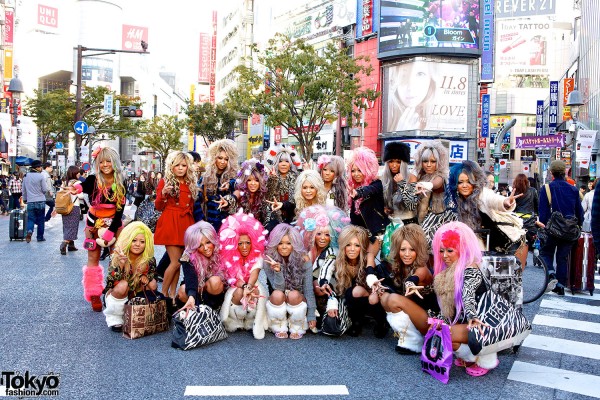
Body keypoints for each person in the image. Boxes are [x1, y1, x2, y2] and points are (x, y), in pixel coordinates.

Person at [430, 222, 501, 377]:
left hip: (482, 322)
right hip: (466, 322)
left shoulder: (471, 270)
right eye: (441, 251)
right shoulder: (448, 271)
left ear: (461, 250)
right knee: (439, 331)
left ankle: (487, 360)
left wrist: (473, 317)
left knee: (446, 333)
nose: (444, 255)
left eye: (450, 250)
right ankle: (470, 357)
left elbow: (467, 295)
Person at [72, 147, 127, 312]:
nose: (104, 164)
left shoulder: (120, 181)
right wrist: (77, 188)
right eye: (101, 161)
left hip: (114, 223)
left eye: (108, 161)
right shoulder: (93, 179)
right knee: (93, 257)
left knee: (117, 258)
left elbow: (120, 210)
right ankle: (94, 294)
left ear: (114, 162)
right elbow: (84, 185)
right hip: (94, 223)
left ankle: (114, 292)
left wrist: (112, 229)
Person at [449, 160, 526, 267]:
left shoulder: (482, 194)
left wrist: (506, 202)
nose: (465, 185)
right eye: (460, 182)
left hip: (498, 236)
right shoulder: (457, 201)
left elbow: (493, 199)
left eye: (469, 181)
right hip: (477, 238)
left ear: (475, 182)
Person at [377, 224, 439, 354]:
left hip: (430, 320)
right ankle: (410, 339)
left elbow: (418, 276)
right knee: (384, 298)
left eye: (412, 249)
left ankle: (415, 341)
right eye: (403, 249)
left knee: (393, 299)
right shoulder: (399, 267)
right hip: (416, 316)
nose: (407, 254)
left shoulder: (422, 268)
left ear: (419, 250)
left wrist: (411, 282)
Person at [296, 205, 350, 328]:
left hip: (328, 284)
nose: (322, 238)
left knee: (317, 286)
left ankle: (323, 311)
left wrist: (322, 282)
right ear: (313, 234)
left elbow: (327, 269)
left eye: (327, 235)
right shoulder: (307, 251)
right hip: (309, 284)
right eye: (319, 233)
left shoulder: (333, 251)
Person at [154, 151, 198, 301]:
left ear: (188, 167)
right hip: (171, 222)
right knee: (175, 262)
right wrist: (163, 194)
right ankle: (163, 294)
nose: (180, 168)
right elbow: (158, 206)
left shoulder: (190, 183)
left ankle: (172, 296)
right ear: (171, 166)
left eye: (184, 165)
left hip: (186, 223)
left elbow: (192, 206)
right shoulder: (166, 181)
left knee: (179, 262)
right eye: (177, 165)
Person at [219, 210, 269, 339]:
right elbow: (233, 278)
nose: (244, 247)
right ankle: (235, 320)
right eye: (240, 243)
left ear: (253, 242)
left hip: (251, 283)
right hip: (236, 285)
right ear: (235, 244)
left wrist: (249, 286)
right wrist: (244, 287)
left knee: (256, 292)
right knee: (239, 293)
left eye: (247, 242)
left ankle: (249, 320)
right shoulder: (228, 257)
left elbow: (255, 272)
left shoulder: (257, 255)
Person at [333, 225, 388, 338]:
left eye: (357, 245)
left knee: (373, 298)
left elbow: (370, 269)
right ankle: (356, 322)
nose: (352, 249)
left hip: (373, 291)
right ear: (343, 246)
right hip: (356, 296)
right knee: (355, 291)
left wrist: (372, 279)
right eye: (348, 244)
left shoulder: (368, 256)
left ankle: (381, 323)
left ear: (362, 247)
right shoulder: (339, 261)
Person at [538, 160, 584, 295]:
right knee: (562, 257)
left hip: (552, 229)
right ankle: (561, 285)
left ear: (551, 172)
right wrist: (579, 225)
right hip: (569, 229)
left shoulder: (546, 188)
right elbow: (579, 212)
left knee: (546, 253)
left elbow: (543, 212)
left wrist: (544, 225)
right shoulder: (573, 189)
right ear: (565, 172)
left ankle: (551, 274)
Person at [263, 224, 316, 339]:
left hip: (297, 300)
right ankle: (278, 325)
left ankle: (297, 326)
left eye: (288, 243)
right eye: (280, 243)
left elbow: (308, 289)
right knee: (277, 294)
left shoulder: (304, 258)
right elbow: (279, 288)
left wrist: (312, 315)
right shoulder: (269, 260)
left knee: (293, 294)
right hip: (279, 300)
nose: (284, 247)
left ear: (294, 244)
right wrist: (278, 271)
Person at [102, 221, 157, 332]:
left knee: (153, 283)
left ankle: (139, 312)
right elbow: (110, 282)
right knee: (123, 285)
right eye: (134, 240)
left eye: (142, 242)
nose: (137, 244)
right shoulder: (116, 256)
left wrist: (145, 276)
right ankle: (115, 317)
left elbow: (152, 274)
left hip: (135, 293)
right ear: (127, 240)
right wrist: (121, 266)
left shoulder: (149, 260)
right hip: (117, 293)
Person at [177, 221, 226, 311]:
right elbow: (190, 277)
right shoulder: (187, 256)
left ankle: (213, 310)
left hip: (214, 292)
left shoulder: (221, 251)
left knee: (215, 281)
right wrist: (192, 296)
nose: (206, 248)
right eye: (200, 245)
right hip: (195, 287)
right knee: (183, 291)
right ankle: (193, 311)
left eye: (208, 242)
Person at [195, 139, 239, 231]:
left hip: (228, 227)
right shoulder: (205, 178)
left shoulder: (234, 179)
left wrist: (230, 185)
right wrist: (201, 220)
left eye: (226, 159)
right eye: (220, 158)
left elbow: (239, 190)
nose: (223, 162)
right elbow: (196, 199)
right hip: (209, 225)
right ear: (214, 158)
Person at [215, 160, 269, 226]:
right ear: (245, 181)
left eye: (256, 180)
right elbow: (233, 197)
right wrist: (227, 201)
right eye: (249, 180)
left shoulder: (262, 195)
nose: (253, 183)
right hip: (239, 230)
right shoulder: (240, 192)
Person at [387, 61, 437, 132]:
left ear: (431, 79)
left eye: (420, 74)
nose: (410, 87)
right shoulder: (385, 117)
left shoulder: (440, 121)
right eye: (403, 75)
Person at [265, 144, 302, 227]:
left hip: (292, 217)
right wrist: (273, 179)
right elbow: (268, 198)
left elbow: (296, 201)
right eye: (280, 161)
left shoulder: (297, 178)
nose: (283, 164)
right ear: (276, 163)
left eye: (287, 161)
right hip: (274, 218)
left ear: (291, 164)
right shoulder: (270, 177)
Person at [59, 166, 85, 255]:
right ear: (74, 173)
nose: (79, 174)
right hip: (74, 206)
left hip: (65, 207)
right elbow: (81, 195)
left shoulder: (64, 183)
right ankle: (64, 243)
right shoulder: (78, 182)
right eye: (78, 172)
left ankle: (71, 245)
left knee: (67, 226)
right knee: (73, 226)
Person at [22, 160, 48, 243]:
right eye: (40, 166)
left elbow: (24, 190)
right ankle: (40, 237)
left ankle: (29, 231)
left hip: (30, 201)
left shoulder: (26, 176)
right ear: (37, 167)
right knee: (41, 220)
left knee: (31, 219)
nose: (41, 168)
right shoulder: (41, 177)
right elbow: (45, 189)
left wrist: (25, 199)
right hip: (40, 200)